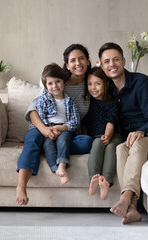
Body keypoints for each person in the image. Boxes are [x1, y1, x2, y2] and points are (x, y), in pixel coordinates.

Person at [98, 42, 148, 224]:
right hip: (134, 141)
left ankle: (126, 198)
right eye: (107, 61)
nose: (112, 64)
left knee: (138, 143)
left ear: (124, 61)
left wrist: (142, 131)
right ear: (102, 66)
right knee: (120, 149)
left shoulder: (142, 82)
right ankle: (133, 209)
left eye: (116, 59)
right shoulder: (107, 91)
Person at [16, 44, 93, 205]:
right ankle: (21, 186)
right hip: (42, 126)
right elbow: (33, 110)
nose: (78, 63)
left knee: (86, 142)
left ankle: (48, 146)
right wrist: (44, 130)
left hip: (66, 131)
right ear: (67, 65)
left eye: (81, 58)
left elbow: (81, 120)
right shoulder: (54, 81)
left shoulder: (92, 83)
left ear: (87, 61)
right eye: (73, 60)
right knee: (34, 139)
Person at [82, 67, 122, 200]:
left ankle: (106, 182)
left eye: (97, 83)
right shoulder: (89, 102)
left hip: (114, 135)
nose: (93, 87)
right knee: (97, 144)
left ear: (106, 84)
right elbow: (84, 122)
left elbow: (111, 122)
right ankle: (94, 178)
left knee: (111, 147)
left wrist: (108, 136)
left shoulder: (112, 103)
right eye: (90, 84)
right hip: (96, 137)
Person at [37, 63, 80, 184]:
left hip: (65, 128)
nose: (54, 86)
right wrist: (50, 130)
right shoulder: (43, 100)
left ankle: (62, 165)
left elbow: (75, 122)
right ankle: (57, 171)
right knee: (48, 145)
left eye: (58, 81)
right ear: (45, 86)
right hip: (48, 129)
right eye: (50, 83)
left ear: (64, 82)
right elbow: (41, 118)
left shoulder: (70, 101)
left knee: (64, 139)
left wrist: (62, 127)